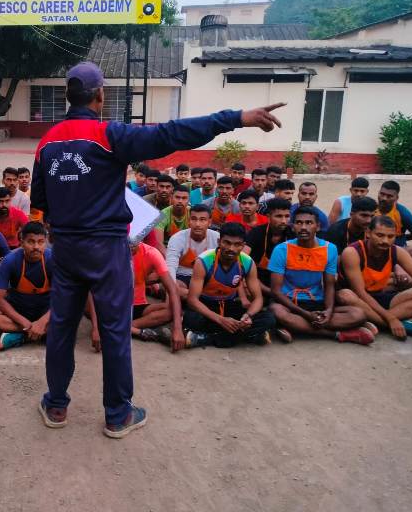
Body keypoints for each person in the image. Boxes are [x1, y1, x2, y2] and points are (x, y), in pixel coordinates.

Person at [30, 60, 284, 437]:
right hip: (107, 250)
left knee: (63, 327)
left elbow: (40, 200)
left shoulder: (47, 142)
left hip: (66, 248)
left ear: (68, 97)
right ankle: (118, 415)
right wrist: (236, 118)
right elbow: (171, 134)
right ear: (100, 96)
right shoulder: (109, 135)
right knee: (115, 330)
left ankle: (55, 405)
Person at [268, 207, 373, 345]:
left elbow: (329, 285)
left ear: (317, 226)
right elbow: (276, 291)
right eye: (299, 223)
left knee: (358, 314)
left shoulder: (329, 249)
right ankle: (338, 334)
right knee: (277, 311)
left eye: (309, 223)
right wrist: (306, 314)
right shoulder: (281, 249)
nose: (303, 227)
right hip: (289, 303)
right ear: (292, 227)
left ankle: (295, 327)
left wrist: (328, 311)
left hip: (316, 301)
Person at [339, 216, 412, 340]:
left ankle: (375, 322)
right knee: (345, 295)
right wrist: (391, 319)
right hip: (358, 300)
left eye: (390, 236)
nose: (385, 241)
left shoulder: (396, 251)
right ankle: (400, 326)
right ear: (368, 233)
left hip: (379, 296)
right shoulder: (352, 252)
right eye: (380, 235)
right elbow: (360, 292)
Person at [184, 222, 274, 348]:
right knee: (192, 319)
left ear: (243, 245)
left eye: (237, 244)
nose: (231, 248)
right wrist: (220, 320)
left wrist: (248, 316)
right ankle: (249, 335)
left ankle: (205, 338)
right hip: (207, 305)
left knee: (269, 318)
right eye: (227, 243)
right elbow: (192, 300)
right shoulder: (204, 261)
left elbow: (258, 298)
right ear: (219, 242)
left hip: (229, 305)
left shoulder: (248, 263)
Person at [0, 222, 53, 350]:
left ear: (45, 242)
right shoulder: (10, 260)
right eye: (31, 242)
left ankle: (21, 335)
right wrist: (25, 323)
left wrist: (42, 321)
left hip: (45, 309)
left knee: (70, 316)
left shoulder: (53, 259)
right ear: (22, 242)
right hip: (18, 310)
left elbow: (63, 297)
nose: (36, 247)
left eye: (41, 242)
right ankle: (36, 332)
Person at [244, 197, 295, 298]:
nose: (284, 221)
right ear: (268, 216)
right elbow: (242, 258)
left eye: (287, 216)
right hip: (256, 282)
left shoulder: (293, 234)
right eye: (279, 216)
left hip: (285, 283)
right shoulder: (256, 232)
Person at [166, 205, 219, 299]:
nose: (197, 224)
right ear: (189, 221)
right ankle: (201, 298)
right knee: (172, 286)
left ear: (209, 222)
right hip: (182, 277)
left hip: (207, 277)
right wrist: (172, 287)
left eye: (202, 220)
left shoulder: (217, 238)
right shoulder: (177, 238)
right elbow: (171, 266)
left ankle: (197, 298)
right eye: (194, 219)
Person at [376, 180, 412, 257]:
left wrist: (399, 239)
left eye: (389, 196)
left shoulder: (403, 213)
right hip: (373, 246)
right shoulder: (371, 208)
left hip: (394, 248)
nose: (384, 198)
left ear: (396, 198)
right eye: (382, 194)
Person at [153, 184, 190, 250]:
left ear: (188, 200)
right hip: (167, 248)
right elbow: (159, 244)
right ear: (171, 198)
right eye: (177, 197)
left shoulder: (192, 213)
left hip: (187, 248)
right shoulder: (162, 215)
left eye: (184, 198)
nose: (180, 201)